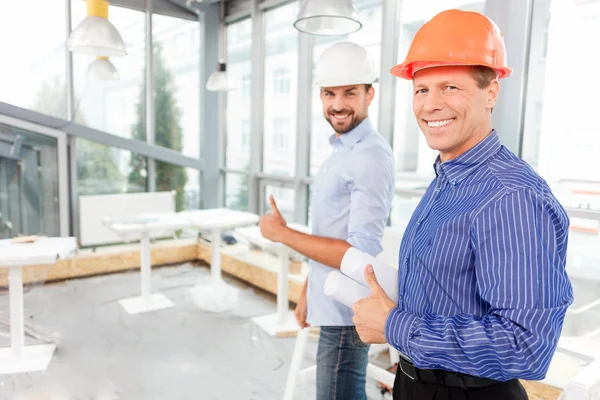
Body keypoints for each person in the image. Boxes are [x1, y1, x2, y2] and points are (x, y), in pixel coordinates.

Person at [351, 9, 573, 400]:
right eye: (422, 89)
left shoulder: (510, 196)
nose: (431, 105)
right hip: (416, 383)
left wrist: (394, 326)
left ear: (491, 92)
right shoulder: (447, 179)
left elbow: (526, 346)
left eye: (450, 87)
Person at [259, 41, 395, 400]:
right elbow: (329, 231)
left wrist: (283, 234)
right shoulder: (342, 149)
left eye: (350, 93)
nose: (337, 104)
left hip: (347, 310)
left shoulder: (369, 156)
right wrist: (308, 290)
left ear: (370, 94)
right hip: (329, 300)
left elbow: (358, 253)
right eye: (329, 93)